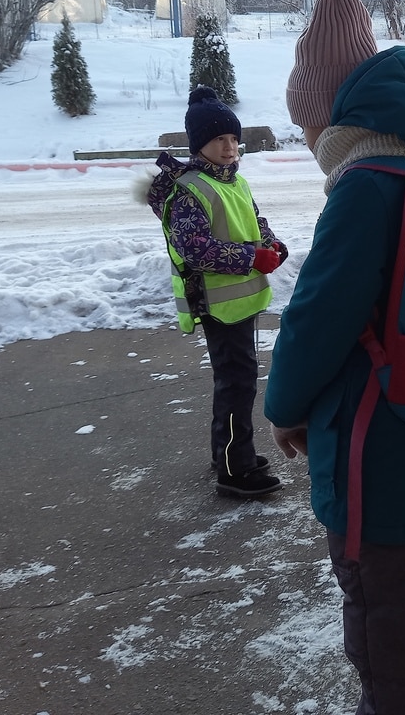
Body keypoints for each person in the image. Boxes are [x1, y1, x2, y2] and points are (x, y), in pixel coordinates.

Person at [264, 0, 405, 715]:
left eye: (307, 127)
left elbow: (318, 317)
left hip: (372, 444)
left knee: (389, 637)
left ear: (330, 116)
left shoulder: (365, 184)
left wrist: (284, 407)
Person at [143, 85, 286, 501]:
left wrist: (272, 244)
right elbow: (196, 249)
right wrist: (251, 258)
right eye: (219, 140)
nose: (229, 147)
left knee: (239, 380)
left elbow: (254, 220)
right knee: (236, 383)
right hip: (216, 303)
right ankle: (233, 468)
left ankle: (230, 454)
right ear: (199, 144)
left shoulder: (233, 181)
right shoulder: (190, 190)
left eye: (233, 139)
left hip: (239, 300)